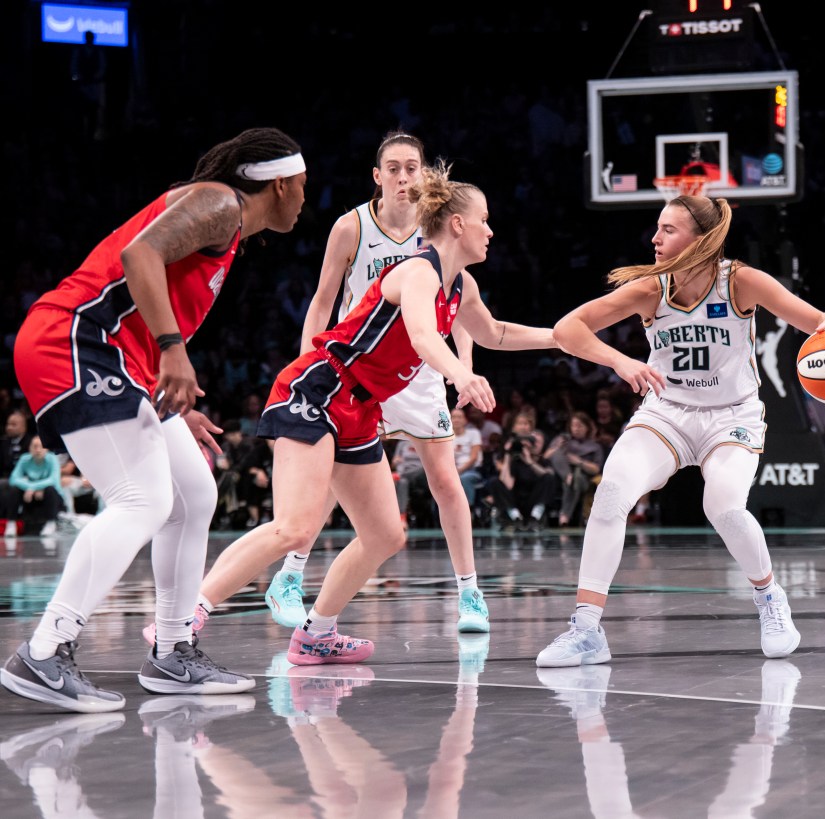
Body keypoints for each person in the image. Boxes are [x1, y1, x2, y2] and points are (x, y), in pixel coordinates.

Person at [161, 160, 555, 666]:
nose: (490, 230)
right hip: (320, 389)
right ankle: (179, 622)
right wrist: (460, 373)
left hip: (359, 407)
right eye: (484, 219)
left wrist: (560, 337)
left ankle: (316, 633)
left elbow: (495, 332)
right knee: (295, 527)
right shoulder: (417, 270)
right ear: (458, 224)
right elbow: (420, 334)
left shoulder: (462, 286)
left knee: (386, 533)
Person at [0, 126, 307, 712]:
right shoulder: (220, 201)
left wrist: (154, 394)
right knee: (142, 499)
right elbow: (136, 255)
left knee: (194, 495)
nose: (304, 199)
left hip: (120, 359)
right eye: (303, 186)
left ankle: (173, 653)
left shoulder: (231, 225)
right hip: (75, 338)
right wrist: (172, 348)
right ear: (284, 183)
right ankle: (44, 651)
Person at [536, 194, 825, 667]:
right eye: (657, 227)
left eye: (668, 229)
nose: (654, 238)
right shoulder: (650, 289)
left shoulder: (741, 282)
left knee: (723, 504)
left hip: (731, 414)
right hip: (667, 412)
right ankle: (587, 630)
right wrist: (620, 360)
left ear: (702, 239)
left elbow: (809, 319)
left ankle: (770, 598)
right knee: (611, 492)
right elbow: (568, 329)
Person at [261, 132, 492, 633]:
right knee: (323, 478)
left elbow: (461, 314)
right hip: (356, 369)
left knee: (445, 482)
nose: (404, 177)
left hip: (420, 369)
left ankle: (470, 593)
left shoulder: (437, 235)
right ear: (377, 176)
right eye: (394, 168)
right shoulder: (351, 227)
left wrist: (463, 370)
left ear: (425, 176)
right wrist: (309, 366)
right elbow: (323, 301)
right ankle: (289, 576)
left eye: (413, 168)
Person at [488, 411, 559, 531]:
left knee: (549, 478)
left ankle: (535, 517)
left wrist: (529, 460)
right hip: (514, 498)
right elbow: (507, 484)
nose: (523, 427)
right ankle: (515, 517)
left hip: (533, 497)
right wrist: (508, 455)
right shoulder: (509, 450)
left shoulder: (536, 445)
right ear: (514, 427)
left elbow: (547, 476)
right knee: (495, 482)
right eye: (520, 424)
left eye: (526, 424)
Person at [544, 411, 605, 526]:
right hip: (560, 474)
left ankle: (565, 516)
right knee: (558, 455)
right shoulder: (563, 440)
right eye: (574, 425)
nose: (576, 429)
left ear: (587, 428)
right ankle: (567, 476)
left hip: (583, 477)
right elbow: (546, 457)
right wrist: (557, 446)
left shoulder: (595, 446)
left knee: (575, 479)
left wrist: (579, 462)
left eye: (580, 426)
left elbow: (596, 469)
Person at [3, 435, 63, 536]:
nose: (38, 450)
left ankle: (51, 523)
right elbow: (13, 479)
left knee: (50, 489)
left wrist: (33, 487)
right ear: (30, 448)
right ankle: (11, 524)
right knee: (14, 489)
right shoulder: (24, 459)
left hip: (50, 496)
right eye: (35, 446)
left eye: (41, 446)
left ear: (46, 449)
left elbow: (54, 480)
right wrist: (30, 487)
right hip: (29, 497)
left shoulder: (52, 458)